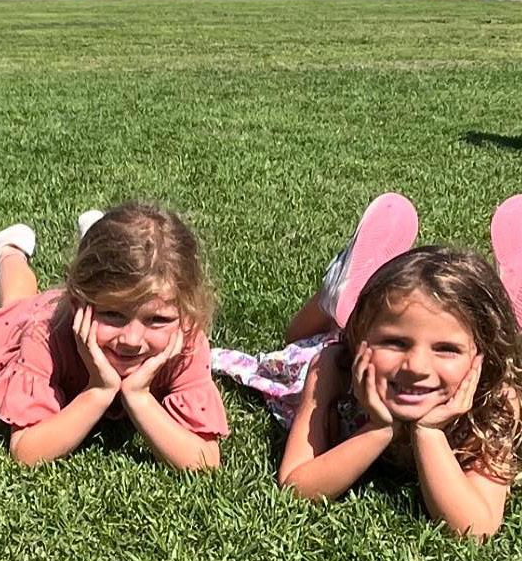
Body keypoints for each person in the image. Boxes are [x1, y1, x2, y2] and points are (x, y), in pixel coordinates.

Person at [214, 196, 522, 539]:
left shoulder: (496, 400)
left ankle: (504, 312)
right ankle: (337, 296)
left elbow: (475, 530)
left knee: (487, 331)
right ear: (362, 338)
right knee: (297, 343)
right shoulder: (333, 367)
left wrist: (429, 432)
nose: (417, 367)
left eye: (446, 349)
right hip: (326, 351)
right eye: (396, 342)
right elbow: (296, 487)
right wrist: (379, 428)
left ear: (482, 358)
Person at [0, 205, 227, 471]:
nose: (133, 339)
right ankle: (9, 250)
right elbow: (26, 451)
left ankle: (95, 243)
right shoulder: (47, 336)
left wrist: (139, 397)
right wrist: (98, 390)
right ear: (78, 303)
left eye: (158, 320)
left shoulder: (186, 341)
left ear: (186, 314)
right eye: (113, 315)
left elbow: (205, 460)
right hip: (39, 317)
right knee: (17, 305)